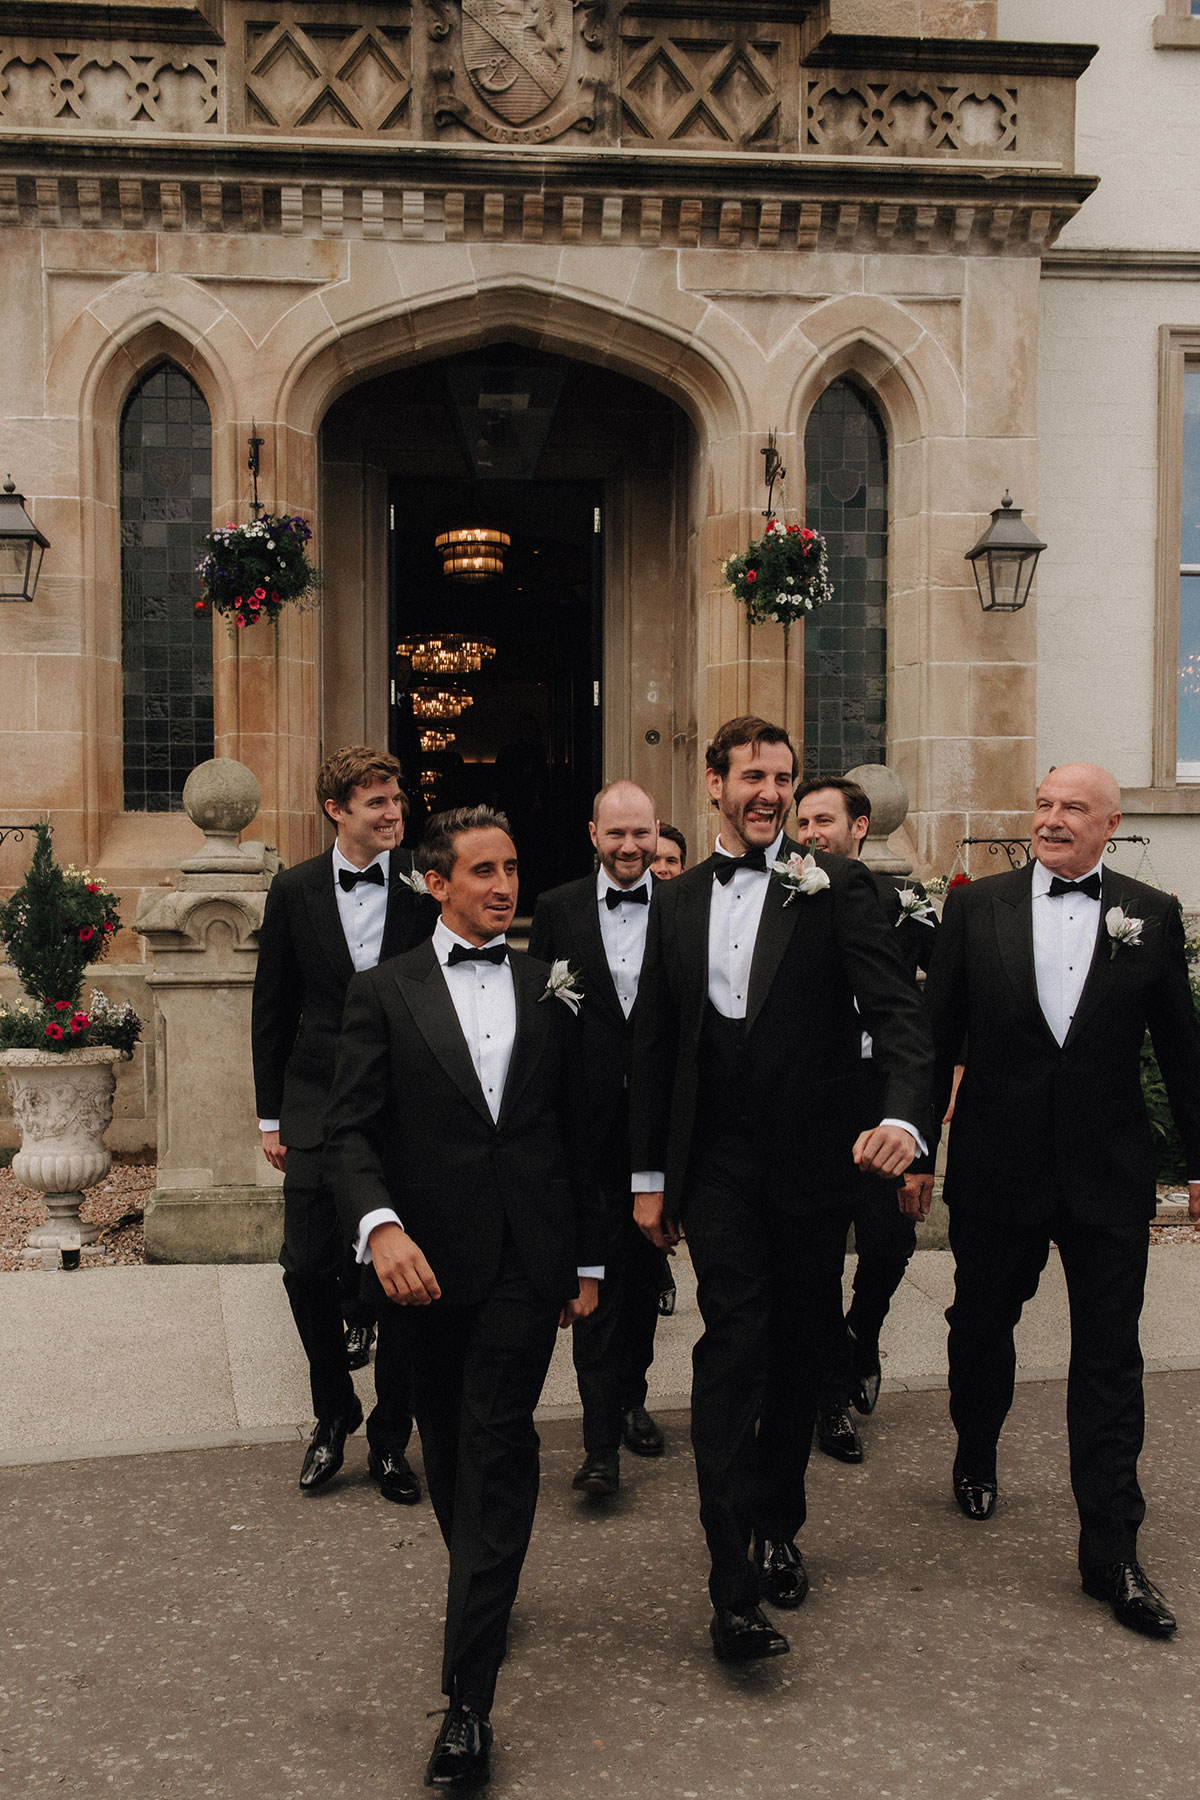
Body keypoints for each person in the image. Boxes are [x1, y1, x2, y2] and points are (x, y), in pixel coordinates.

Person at [630, 716, 933, 1664]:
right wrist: (649, 1181)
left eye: (784, 778)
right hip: (715, 1166)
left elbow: (902, 1019)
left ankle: (777, 1523)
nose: (769, 793)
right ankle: (730, 1593)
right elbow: (653, 1048)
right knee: (735, 1348)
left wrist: (906, 1123)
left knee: (803, 1351)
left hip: (815, 1165)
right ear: (714, 783)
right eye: (752, 776)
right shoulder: (673, 901)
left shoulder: (839, 886)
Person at [323, 805, 604, 1791]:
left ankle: (468, 1703)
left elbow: (578, 1132)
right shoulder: (382, 993)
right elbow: (346, 1134)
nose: (503, 885)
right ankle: (484, 1575)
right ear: (435, 882)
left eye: (513, 869)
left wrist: (590, 1262)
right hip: (423, 1270)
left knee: (493, 1445)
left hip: (527, 1267)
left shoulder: (548, 988)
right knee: (447, 1448)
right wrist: (380, 1226)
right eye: (483, 870)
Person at [918, 762, 1200, 1639]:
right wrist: (916, 1150)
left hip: (1107, 1177)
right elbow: (935, 1043)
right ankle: (975, 1441)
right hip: (999, 1170)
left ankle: (1111, 1551)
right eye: (1042, 804)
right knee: (980, 1325)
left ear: (1110, 824)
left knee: (1110, 1359)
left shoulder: (1151, 916)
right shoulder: (976, 908)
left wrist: (1198, 1164)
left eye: (1072, 808)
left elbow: (1183, 1052)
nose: (1051, 819)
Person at [251, 745, 435, 1500]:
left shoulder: (427, 890)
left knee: (407, 1283)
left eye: (397, 801)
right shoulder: (293, 891)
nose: (394, 814)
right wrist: (270, 1118)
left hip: (402, 1107)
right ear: (337, 811)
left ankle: (393, 1438)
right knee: (305, 1269)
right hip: (316, 1106)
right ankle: (334, 1414)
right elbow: (272, 1007)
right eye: (377, 804)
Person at [529, 779, 670, 1497]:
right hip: (583, 1127)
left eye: (640, 834)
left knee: (645, 1282)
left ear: (654, 834)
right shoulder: (555, 909)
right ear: (593, 833)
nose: (628, 847)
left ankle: (632, 1397)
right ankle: (597, 1446)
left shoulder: (681, 907)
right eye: (615, 834)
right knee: (594, 1279)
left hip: (659, 1129)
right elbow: (550, 1019)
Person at [793, 775, 938, 1463]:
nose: (811, 834)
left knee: (887, 1245)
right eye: (803, 823)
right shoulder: (786, 900)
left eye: (824, 821)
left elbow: (938, 1031)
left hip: (884, 1111)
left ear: (860, 827)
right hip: (818, 1111)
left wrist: (922, 1142)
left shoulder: (905, 907)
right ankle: (829, 1398)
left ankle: (865, 1331)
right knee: (817, 1261)